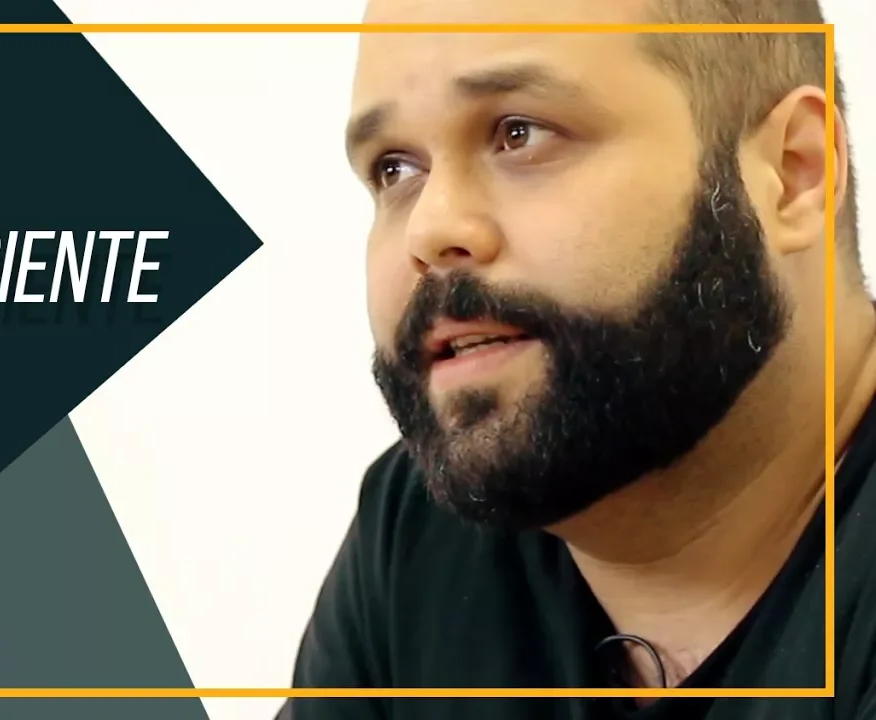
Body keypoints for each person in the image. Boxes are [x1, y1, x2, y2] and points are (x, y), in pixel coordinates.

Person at [279, 0, 875, 718]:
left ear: (793, 172)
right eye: (395, 169)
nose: (430, 229)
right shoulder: (418, 538)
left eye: (519, 133)